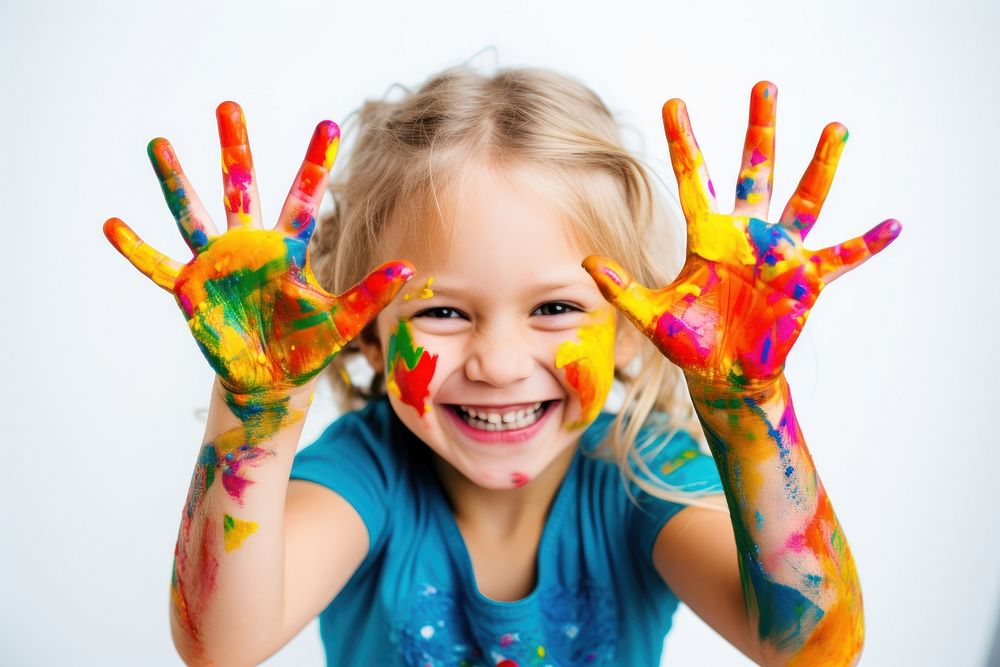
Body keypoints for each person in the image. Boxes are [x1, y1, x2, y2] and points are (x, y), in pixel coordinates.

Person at [103, 67, 900, 666]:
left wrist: (749, 410)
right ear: (369, 332)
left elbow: (813, 649)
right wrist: (257, 410)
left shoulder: (643, 475)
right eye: (443, 311)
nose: (498, 362)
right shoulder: (366, 475)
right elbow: (223, 647)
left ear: (630, 327)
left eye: (555, 308)